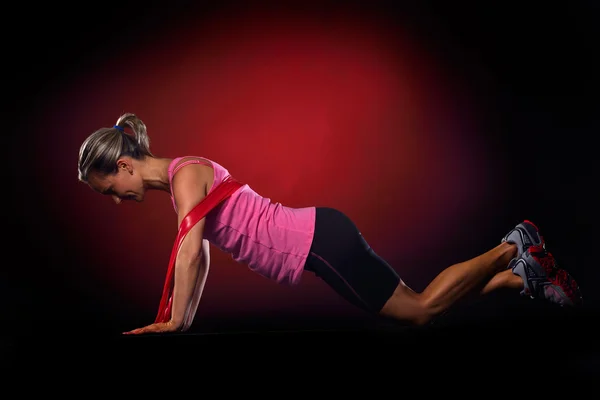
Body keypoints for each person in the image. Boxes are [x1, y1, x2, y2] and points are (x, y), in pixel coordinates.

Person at [77, 112, 583, 335]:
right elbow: (202, 253)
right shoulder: (182, 181)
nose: (118, 201)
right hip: (321, 237)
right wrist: (182, 322)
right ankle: (523, 276)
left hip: (319, 242)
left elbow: (189, 251)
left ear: (122, 166)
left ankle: (513, 246)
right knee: (420, 304)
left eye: (110, 192)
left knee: (422, 310)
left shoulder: (184, 175)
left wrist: (173, 324)